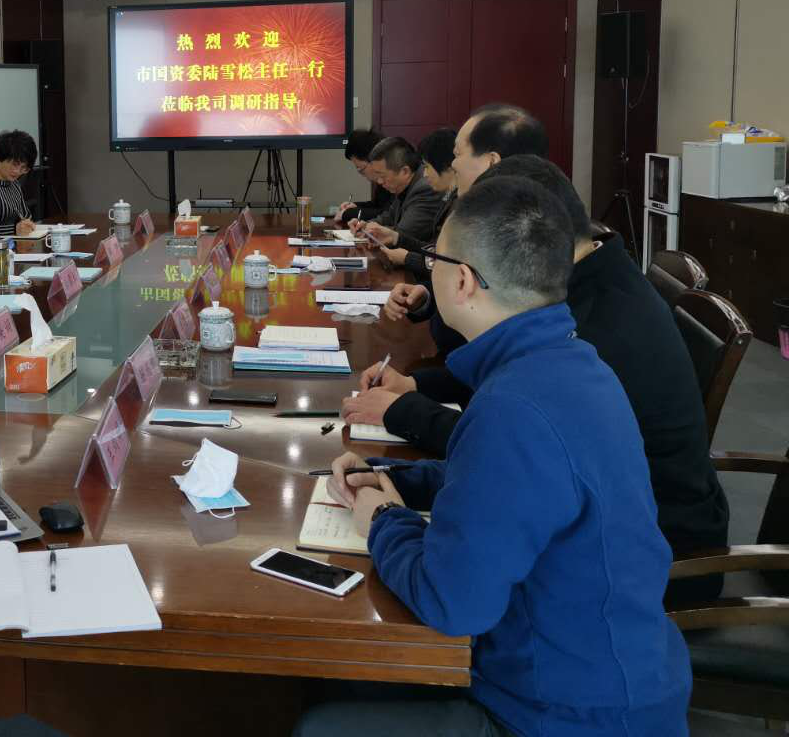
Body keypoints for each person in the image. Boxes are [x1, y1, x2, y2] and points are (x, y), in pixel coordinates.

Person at [300, 177, 691, 736]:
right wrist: (398, 478)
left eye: (435, 259)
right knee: (344, 679)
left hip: (564, 714)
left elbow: (452, 602)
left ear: (462, 280)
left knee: (321, 722)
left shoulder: (514, 407)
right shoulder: (575, 363)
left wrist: (384, 519)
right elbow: (510, 485)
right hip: (620, 673)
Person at [342, 155, 729, 592]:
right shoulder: (566, 313)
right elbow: (507, 451)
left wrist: (385, 516)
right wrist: (402, 462)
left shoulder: (589, 339)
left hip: (643, 560)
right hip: (597, 535)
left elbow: (456, 589)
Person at [380, 104, 549, 354]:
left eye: (457, 154)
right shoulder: (483, 213)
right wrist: (426, 295)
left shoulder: (527, 232)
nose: (454, 164)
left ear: (491, 162)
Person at [363, 127, 457, 273]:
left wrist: (407, 257)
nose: (425, 174)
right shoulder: (405, 187)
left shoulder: (426, 189)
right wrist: (379, 231)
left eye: (427, 167)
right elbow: (435, 251)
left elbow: (446, 261)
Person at [348, 136, 440, 250]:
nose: (379, 181)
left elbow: (403, 234)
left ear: (404, 171)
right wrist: (365, 225)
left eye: (382, 176)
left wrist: (372, 230)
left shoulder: (425, 189)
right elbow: (388, 217)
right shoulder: (402, 186)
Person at [332, 128, 389, 224]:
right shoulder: (382, 181)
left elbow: (388, 214)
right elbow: (377, 205)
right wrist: (355, 206)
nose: (362, 175)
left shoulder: (391, 179)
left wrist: (348, 214)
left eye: (361, 169)